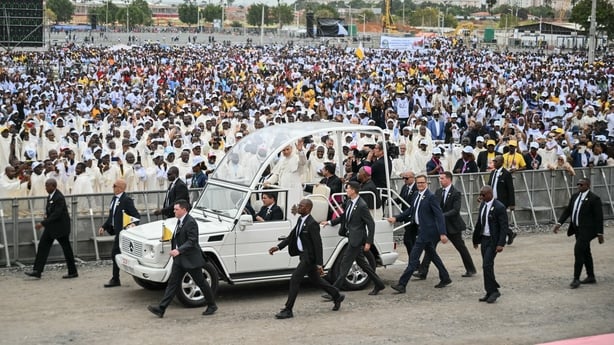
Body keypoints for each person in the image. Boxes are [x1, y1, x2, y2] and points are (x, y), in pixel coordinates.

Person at [268, 199, 344, 319]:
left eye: (301, 206)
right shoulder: (300, 220)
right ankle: (336, 295)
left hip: (309, 258)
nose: (298, 207)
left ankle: (288, 309)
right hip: (303, 255)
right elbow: (291, 236)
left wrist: (319, 264)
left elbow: (318, 245)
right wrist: (278, 247)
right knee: (317, 280)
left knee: (295, 279)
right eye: (298, 205)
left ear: (308, 209)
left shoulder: (312, 224)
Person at [148, 199, 218, 318]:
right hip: (180, 259)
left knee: (201, 282)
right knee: (172, 283)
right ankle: (161, 308)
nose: (174, 211)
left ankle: (212, 305)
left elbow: (192, 241)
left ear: (184, 210)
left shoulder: (190, 222)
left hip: (190, 259)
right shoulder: (180, 221)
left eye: (176, 209)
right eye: (174, 209)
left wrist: (178, 250)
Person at [388, 174, 451, 293]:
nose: (420, 185)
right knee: (433, 255)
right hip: (420, 229)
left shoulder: (431, 197)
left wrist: (443, 233)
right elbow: (410, 210)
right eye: (418, 183)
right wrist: (397, 218)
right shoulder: (417, 195)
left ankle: (402, 284)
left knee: (413, 258)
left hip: (428, 232)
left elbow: (439, 215)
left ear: (426, 183)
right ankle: (445, 277)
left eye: (422, 183)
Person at [320, 181, 386, 296]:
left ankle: (334, 291)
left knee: (345, 264)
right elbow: (344, 217)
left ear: (354, 190)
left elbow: (371, 224)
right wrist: (330, 222)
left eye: (348, 188)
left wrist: (368, 242)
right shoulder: (350, 202)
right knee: (364, 265)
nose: (346, 190)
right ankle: (379, 284)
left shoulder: (362, 205)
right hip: (351, 237)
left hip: (357, 239)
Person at [414, 172, 477, 279]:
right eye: (440, 178)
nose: (440, 180)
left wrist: (441, 216)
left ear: (449, 179)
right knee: (430, 247)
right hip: (439, 226)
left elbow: (455, 210)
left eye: (442, 178)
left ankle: (470, 269)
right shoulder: (438, 192)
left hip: (453, 226)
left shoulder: (456, 193)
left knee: (461, 247)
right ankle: (423, 271)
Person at [553, 178, 604, 289]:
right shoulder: (575, 196)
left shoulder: (594, 199)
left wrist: (600, 233)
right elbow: (568, 211)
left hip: (587, 231)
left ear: (588, 185)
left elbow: (599, 217)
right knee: (586, 252)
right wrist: (559, 223)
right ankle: (591, 276)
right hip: (577, 230)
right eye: (578, 184)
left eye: (581, 184)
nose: (579, 186)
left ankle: (576, 278)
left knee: (578, 251)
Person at [25, 178, 78, 279]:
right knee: (42, 247)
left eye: (47, 186)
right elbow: (50, 210)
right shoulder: (50, 196)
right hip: (51, 227)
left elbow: (57, 214)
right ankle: (37, 271)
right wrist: (46, 215)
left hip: (61, 228)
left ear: (53, 186)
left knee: (67, 249)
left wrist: (43, 223)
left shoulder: (59, 197)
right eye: (45, 185)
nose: (45, 188)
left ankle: (73, 272)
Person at [98, 179, 140, 288]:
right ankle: (116, 278)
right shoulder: (114, 199)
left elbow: (136, 215)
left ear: (120, 188)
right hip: (116, 231)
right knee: (116, 254)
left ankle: (115, 278)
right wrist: (104, 226)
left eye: (114, 186)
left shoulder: (126, 200)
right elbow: (112, 217)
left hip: (123, 232)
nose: (113, 187)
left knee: (114, 253)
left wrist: (131, 225)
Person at [472, 185, 508, 303]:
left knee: (487, 265)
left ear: (490, 194)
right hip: (484, 239)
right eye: (480, 194)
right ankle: (490, 291)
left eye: (483, 194)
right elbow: (479, 223)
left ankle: (494, 291)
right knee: (487, 266)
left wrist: (501, 243)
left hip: (494, 240)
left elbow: (504, 227)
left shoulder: (499, 207)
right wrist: (475, 240)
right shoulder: (483, 205)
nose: (481, 197)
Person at [488, 155, 517, 245]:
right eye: (494, 161)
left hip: (502, 201)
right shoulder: (493, 173)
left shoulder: (506, 174)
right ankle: (509, 233)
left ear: (501, 162)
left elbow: (510, 189)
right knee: (494, 220)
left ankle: (503, 237)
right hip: (492, 200)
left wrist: (512, 203)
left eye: (496, 161)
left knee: (501, 220)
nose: (494, 163)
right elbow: (489, 186)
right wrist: (483, 196)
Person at [397, 170, 418, 255]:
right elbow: (400, 199)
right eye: (403, 178)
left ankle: (413, 261)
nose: (404, 180)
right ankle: (414, 262)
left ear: (413, 178)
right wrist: (387, 202)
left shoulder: (417, 188)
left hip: (413, 218)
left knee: (408, 240)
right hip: (406, 218)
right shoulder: (404, 187)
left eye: (406, 178)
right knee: (411, 241)